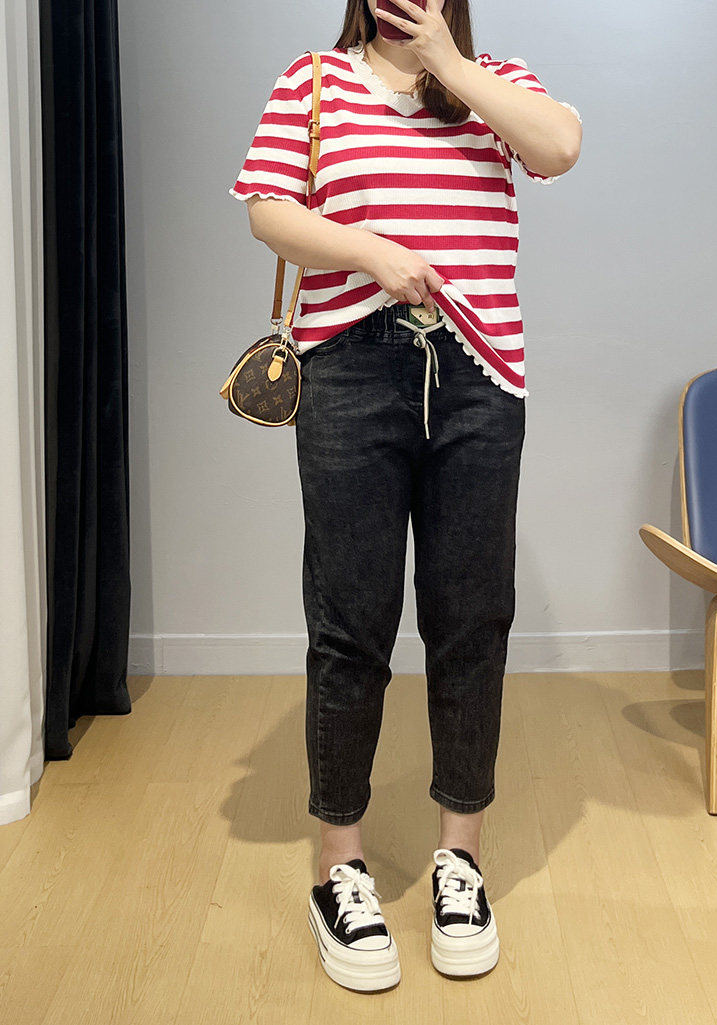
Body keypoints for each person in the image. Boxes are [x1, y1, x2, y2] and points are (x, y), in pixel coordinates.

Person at [229, 0, 581, 993]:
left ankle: (459, 860)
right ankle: (338, 867)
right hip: (349, 370)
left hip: (480, 377)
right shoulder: (312, 81)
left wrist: (446, 62)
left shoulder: (495, 82)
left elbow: (558, 148)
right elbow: (266, 208)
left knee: (472, 618)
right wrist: (370, 252)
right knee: (350, 622)